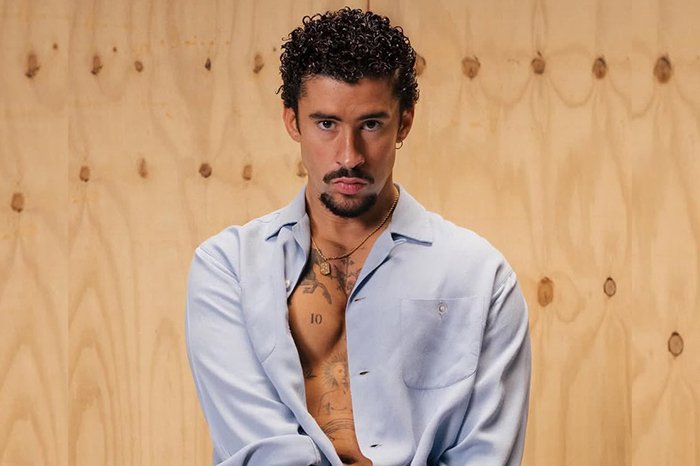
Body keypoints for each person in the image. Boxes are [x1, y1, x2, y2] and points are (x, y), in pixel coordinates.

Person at [185, 8, 531, 466]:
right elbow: (260, 450)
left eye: (371, 124)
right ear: (293, 122)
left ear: (404, 122)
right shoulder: (229, 269)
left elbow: (485, 455)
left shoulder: (481, 277)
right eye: (326, 124)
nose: (349, 156)